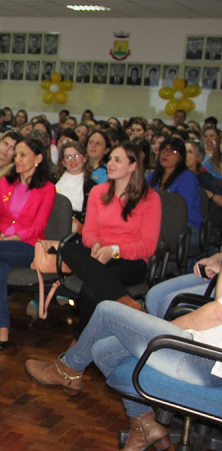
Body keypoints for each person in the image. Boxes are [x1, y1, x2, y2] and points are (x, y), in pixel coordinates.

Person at [25, 297, 222, 451]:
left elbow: (216, 313)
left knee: (106, 310)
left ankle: (68, 369)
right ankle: (144, 427)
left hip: (204, 359)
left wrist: (160, 329)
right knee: (103, 351)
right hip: (204, 355)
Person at [60, 142, 161, 339]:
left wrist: (113, 251)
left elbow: (148, 247)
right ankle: (129, 303)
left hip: (131, 261)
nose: (111, 164)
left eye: (118, 160)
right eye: (110, 160)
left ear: (133, 166)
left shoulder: (150, 198)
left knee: (91, 291)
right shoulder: (99, 192)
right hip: (98, 255)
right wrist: (96, 245)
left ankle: (79, 341)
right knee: (68, 248)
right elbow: (88, 232)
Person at [0, 136, 56, 350]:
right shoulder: (4, 183)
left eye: (23, 155)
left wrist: (14, 237)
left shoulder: (47, 188)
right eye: (16, 154)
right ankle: (2, 327)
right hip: (1, 243)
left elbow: (38, 225)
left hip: (29, 246)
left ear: (38, 158)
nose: (16, 159)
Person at [147, 136, 202, 246]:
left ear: (181, 157)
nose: (166, 154)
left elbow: (184, 210)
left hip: (186, 227)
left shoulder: (187, 177)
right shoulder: (153, 176)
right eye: (164, 150)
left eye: (173, 151)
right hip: (155, 223)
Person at [55, 139, 95, 231]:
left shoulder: (92, 186)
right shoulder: (52, 181)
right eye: (68, 157)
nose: (73, 160)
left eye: (76, 155)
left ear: (84, 158)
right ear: (63, 162)